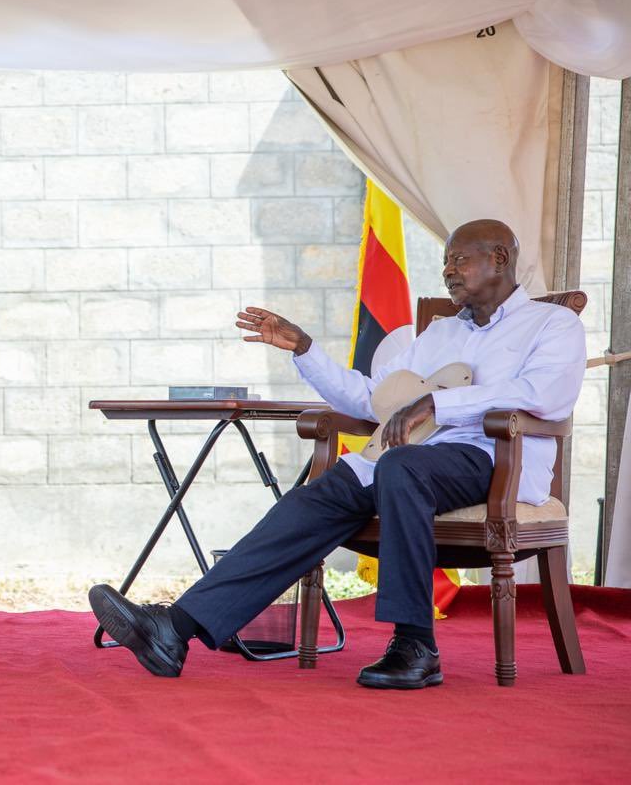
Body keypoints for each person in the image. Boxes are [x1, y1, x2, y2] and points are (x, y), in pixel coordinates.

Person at [88, 219, 586, 689]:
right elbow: (374, 399)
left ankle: (415, 645)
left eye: (459, 260)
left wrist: (439, 404)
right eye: (444, 262)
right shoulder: (441, 333)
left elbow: (545, 394)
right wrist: (305, 350)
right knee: (315, 498)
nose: (447, 271)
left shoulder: (552, 324)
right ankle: (174, 630)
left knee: (399, 466)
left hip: (494, 459)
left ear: (499, 258)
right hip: (409, 461)